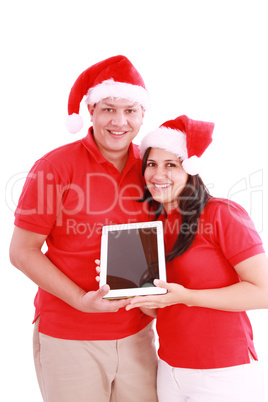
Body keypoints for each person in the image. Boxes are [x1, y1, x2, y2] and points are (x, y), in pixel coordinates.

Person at [9, 55, 158, 402]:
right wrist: (80, 299)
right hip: (69, 337)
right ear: (90, 111)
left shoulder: (154, 169)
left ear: (142, 115)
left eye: (130, 111)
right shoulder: (53, 168)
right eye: (108, 109)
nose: (119, 121)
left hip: (138, 333)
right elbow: (22, 251)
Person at [126, 115, 268, 402]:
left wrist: (185, 296)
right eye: (151, 164)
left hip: (221, 373)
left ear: (189, 169)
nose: (158, 174)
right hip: (168, 368)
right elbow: (161, 308)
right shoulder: (152, 225)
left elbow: (263, 292)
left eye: (171, 165)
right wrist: (124, 285)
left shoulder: (221, 213)